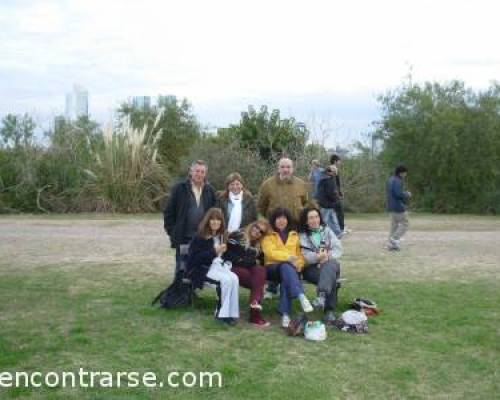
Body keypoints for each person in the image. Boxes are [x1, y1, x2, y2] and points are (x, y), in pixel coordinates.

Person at [260, 207, 313, 328]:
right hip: (272, 268)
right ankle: (300, 295)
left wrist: (299, 265)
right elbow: (270, 253)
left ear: (288, 220)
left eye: (284, 218)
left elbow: (299, 255)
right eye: (278, 218)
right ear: (274, 220)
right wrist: (288, 258)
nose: (281, 221)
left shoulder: (294, 235)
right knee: (285, 266)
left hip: (289, 270)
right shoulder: (268, 235)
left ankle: (285, 315)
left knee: (286, 277)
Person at [185, 208, 239, 325]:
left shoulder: (221, 236)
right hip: (201, 269)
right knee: (224, 281)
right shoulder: (200, 237)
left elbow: (224, 256)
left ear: (221, 222)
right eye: (212, 219)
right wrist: (214, 251)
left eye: (218, 220)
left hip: (218, 267)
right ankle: (220, 315)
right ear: (207, 221)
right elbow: (193, 260)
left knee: (234, 278)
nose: (215, 222)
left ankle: (231, 313)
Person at [164, 160, 217, 278]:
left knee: (196, 266)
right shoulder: (179, 188)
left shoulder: (210, 190)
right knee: (182, 266)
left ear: (205, 174)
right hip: (184, 237)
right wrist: (173, 232)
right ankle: (178, 293)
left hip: (202, 238)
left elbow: (214, 214)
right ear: (191, 171)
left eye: (202, 172)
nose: (199, 174)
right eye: (197, 171)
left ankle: (191, 293)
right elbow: (168, 212)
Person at [224, 220, 271, 327]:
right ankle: (255, 313)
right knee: (258, 282)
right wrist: (247, 260)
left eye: (261, 232)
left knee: (260, 270)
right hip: (231, 268)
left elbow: (256, 262)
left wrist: (247, 260)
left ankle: (255, 304)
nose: (257, 231)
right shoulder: (238, 235)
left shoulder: (258, 246)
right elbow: (229, 254)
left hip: (247, 270)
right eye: (256, 227)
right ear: (252, 225)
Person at [299, 207, 342, 323]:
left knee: (331, 265)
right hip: (311, 268)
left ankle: (321, 296)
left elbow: (338, 248)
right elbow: (305, 255)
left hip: (329, 263)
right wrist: (318, 257)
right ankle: (329, 312)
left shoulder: (327, 230)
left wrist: (327, 257)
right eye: (311, 218)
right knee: (330, 277)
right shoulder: (302, 235)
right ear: (306, 221)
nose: (315, 220)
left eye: (316, 217)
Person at [257, 158, 311, 224]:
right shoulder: (267, 185)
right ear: (278, 168)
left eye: (288, 167)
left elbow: (305, 203)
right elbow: (261, 207)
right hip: (274, 226)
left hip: (296, 225)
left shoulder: (301, 184)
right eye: (282, 167)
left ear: (292, 169)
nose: (285, 170)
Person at [386, 165, 411, 251]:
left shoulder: (390, 179)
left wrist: (402, 193)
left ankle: (391, 245)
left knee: (394, 226)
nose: (405, 175)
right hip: (398, 206)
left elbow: (392, 193)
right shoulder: (397, 181)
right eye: (405, 173)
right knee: (405, 223)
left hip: (390, 205)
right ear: (401, 173)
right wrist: (406, 194)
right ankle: (394, 238)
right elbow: (398, 194)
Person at [316, 165, 343, 238]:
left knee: (332, 219)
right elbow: (330, 193)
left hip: (326, 203)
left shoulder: (324, 178)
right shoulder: (328, 180)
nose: (335, 174)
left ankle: (337, 233)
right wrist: (336, 199)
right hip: (326, 203)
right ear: (329, 172)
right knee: (324, 220)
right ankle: (323, 235)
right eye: (334, 173)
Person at [330, 154, 348, 235]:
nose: (340, 162)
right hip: (334, 195)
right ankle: (341, 229)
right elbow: (334, 183)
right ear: (335, 161)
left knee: (336, 212)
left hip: (336, 194)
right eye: (339, 161)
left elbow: (337, 183)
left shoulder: (334, 169)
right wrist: (337, 193)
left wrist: (340, 192)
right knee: (339, 212)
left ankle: (340, 228)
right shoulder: (332, 169)